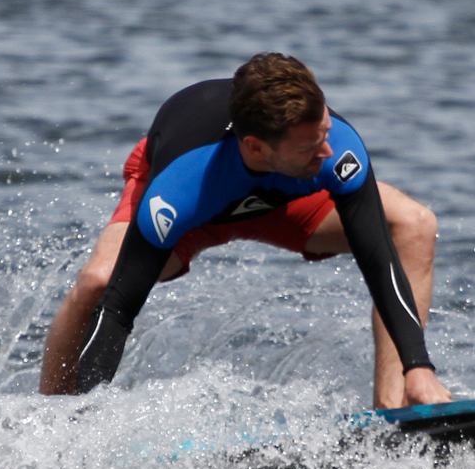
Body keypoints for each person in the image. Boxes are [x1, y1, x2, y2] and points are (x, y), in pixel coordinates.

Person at [38, 53, 453, 409]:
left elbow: (378, 261)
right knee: (99, 283)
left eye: (324, 133)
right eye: (311, 145)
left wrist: (418, 364)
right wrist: (89, 423)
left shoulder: (333, 148)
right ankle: (58, 423)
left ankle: (397, 406)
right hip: (199, 210)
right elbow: (120, 310)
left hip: (284, 200)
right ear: (255, 146)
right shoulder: (181, 185)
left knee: (414, 225)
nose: (327, 151)